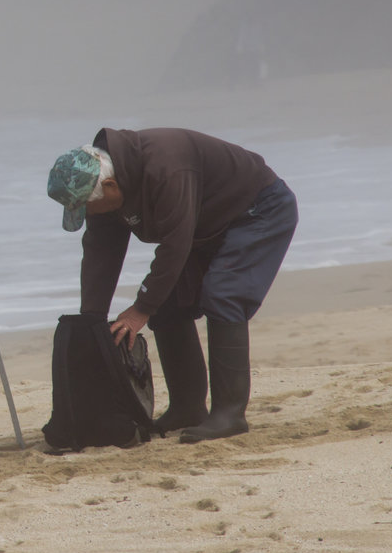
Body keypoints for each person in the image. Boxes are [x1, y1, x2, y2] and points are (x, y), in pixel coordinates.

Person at [46, 128, 297, 442]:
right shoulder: (101, 186)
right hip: (204, 226)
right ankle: (187, 407)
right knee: (166, 304)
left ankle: (229, 414)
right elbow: (101, 252)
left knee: (223, 295)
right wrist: (92, 322)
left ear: (111, 185)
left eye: (87, 208)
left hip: (257, 210)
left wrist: (140, 310)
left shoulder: (165, 168)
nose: (89, 214)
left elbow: (175, 244)